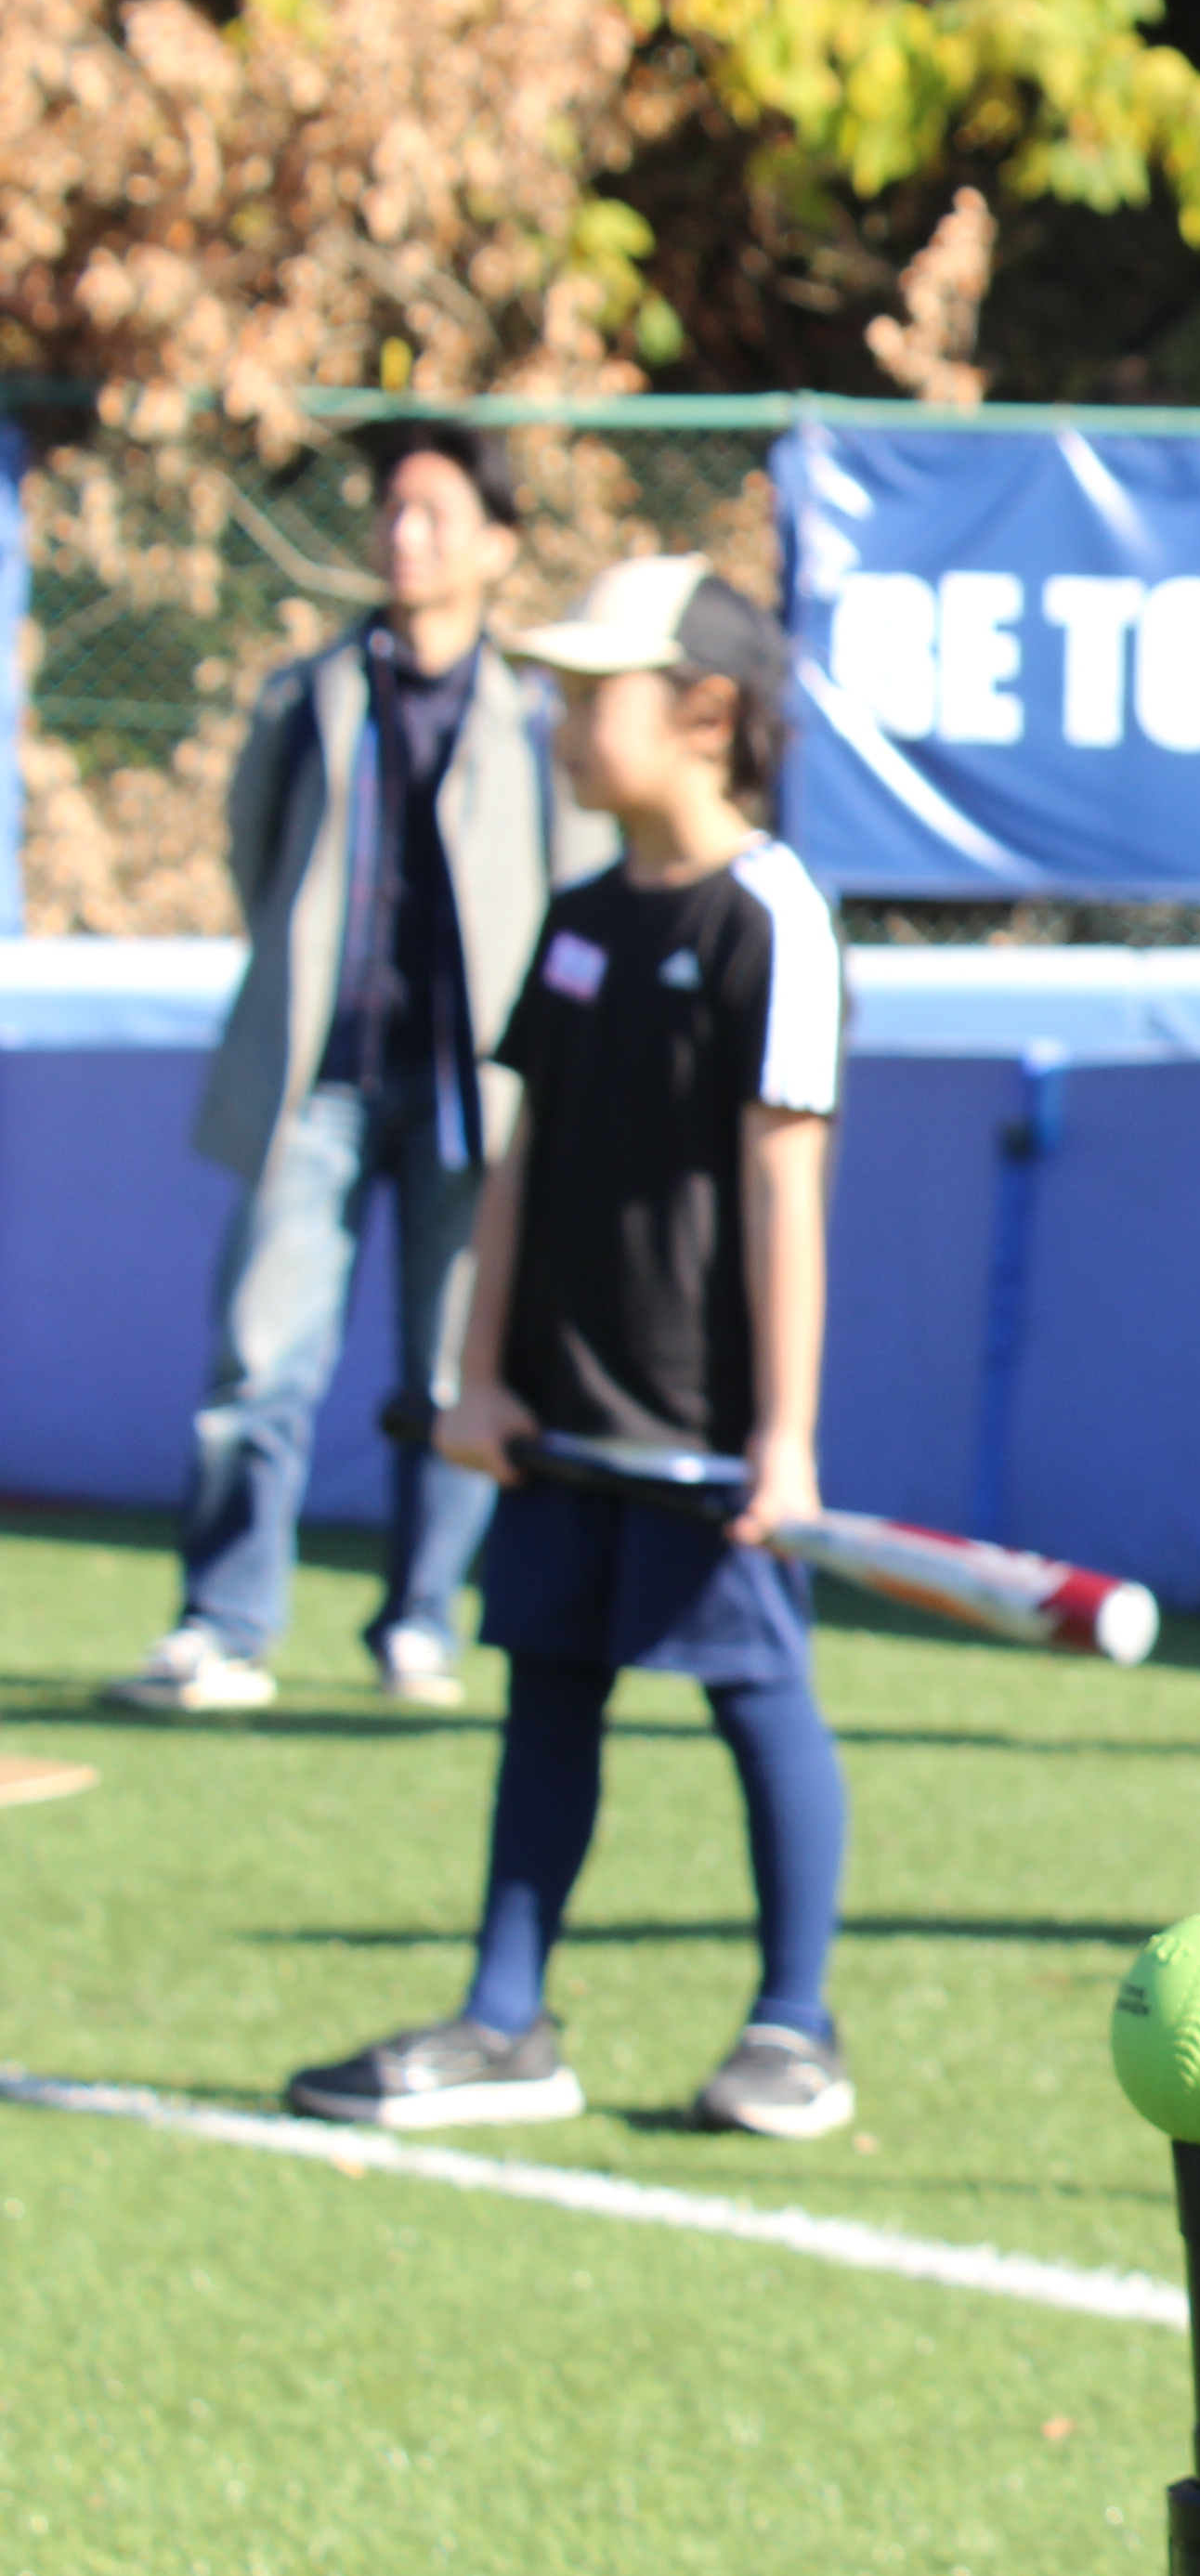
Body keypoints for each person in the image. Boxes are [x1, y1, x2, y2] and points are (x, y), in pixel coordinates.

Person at [285, 556, 862, 2141]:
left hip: (705, 1431)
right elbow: (521, 1161)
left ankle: (794, 2027)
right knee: (547, 1692)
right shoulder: (581, 914)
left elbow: (782, 1182)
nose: (558, 710)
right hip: (559, 1412)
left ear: (704, 714)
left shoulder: (772, 919)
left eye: (592, 687)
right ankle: (503, 2018)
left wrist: (785, 1437)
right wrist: (483, 1377)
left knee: (759, 1695)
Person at [111, 421, 597, 1714]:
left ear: (497, 546)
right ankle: (224, 1624)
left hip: (470, 1096)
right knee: (259, 1359)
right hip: (315, 1083)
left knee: (452, 1371)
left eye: (437, 513)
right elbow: (255, 859)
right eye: (391, 509)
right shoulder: (308, 693)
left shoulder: (538, 715)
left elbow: (569, 900)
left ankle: (421, 1623)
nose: (404, 533)